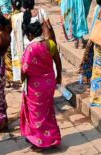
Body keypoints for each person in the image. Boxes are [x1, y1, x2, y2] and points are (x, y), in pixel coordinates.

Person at [19, 21, 63, 151]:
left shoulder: (31, 48)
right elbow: (58, 61)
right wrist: (59, 76)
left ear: (31, 34)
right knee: (48, 111)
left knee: (37, 114)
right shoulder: (51, 44)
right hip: (49, 82)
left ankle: (40, 142)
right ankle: (53, 137)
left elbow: (24, 69)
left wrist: (23, 81)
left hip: (35, 86)